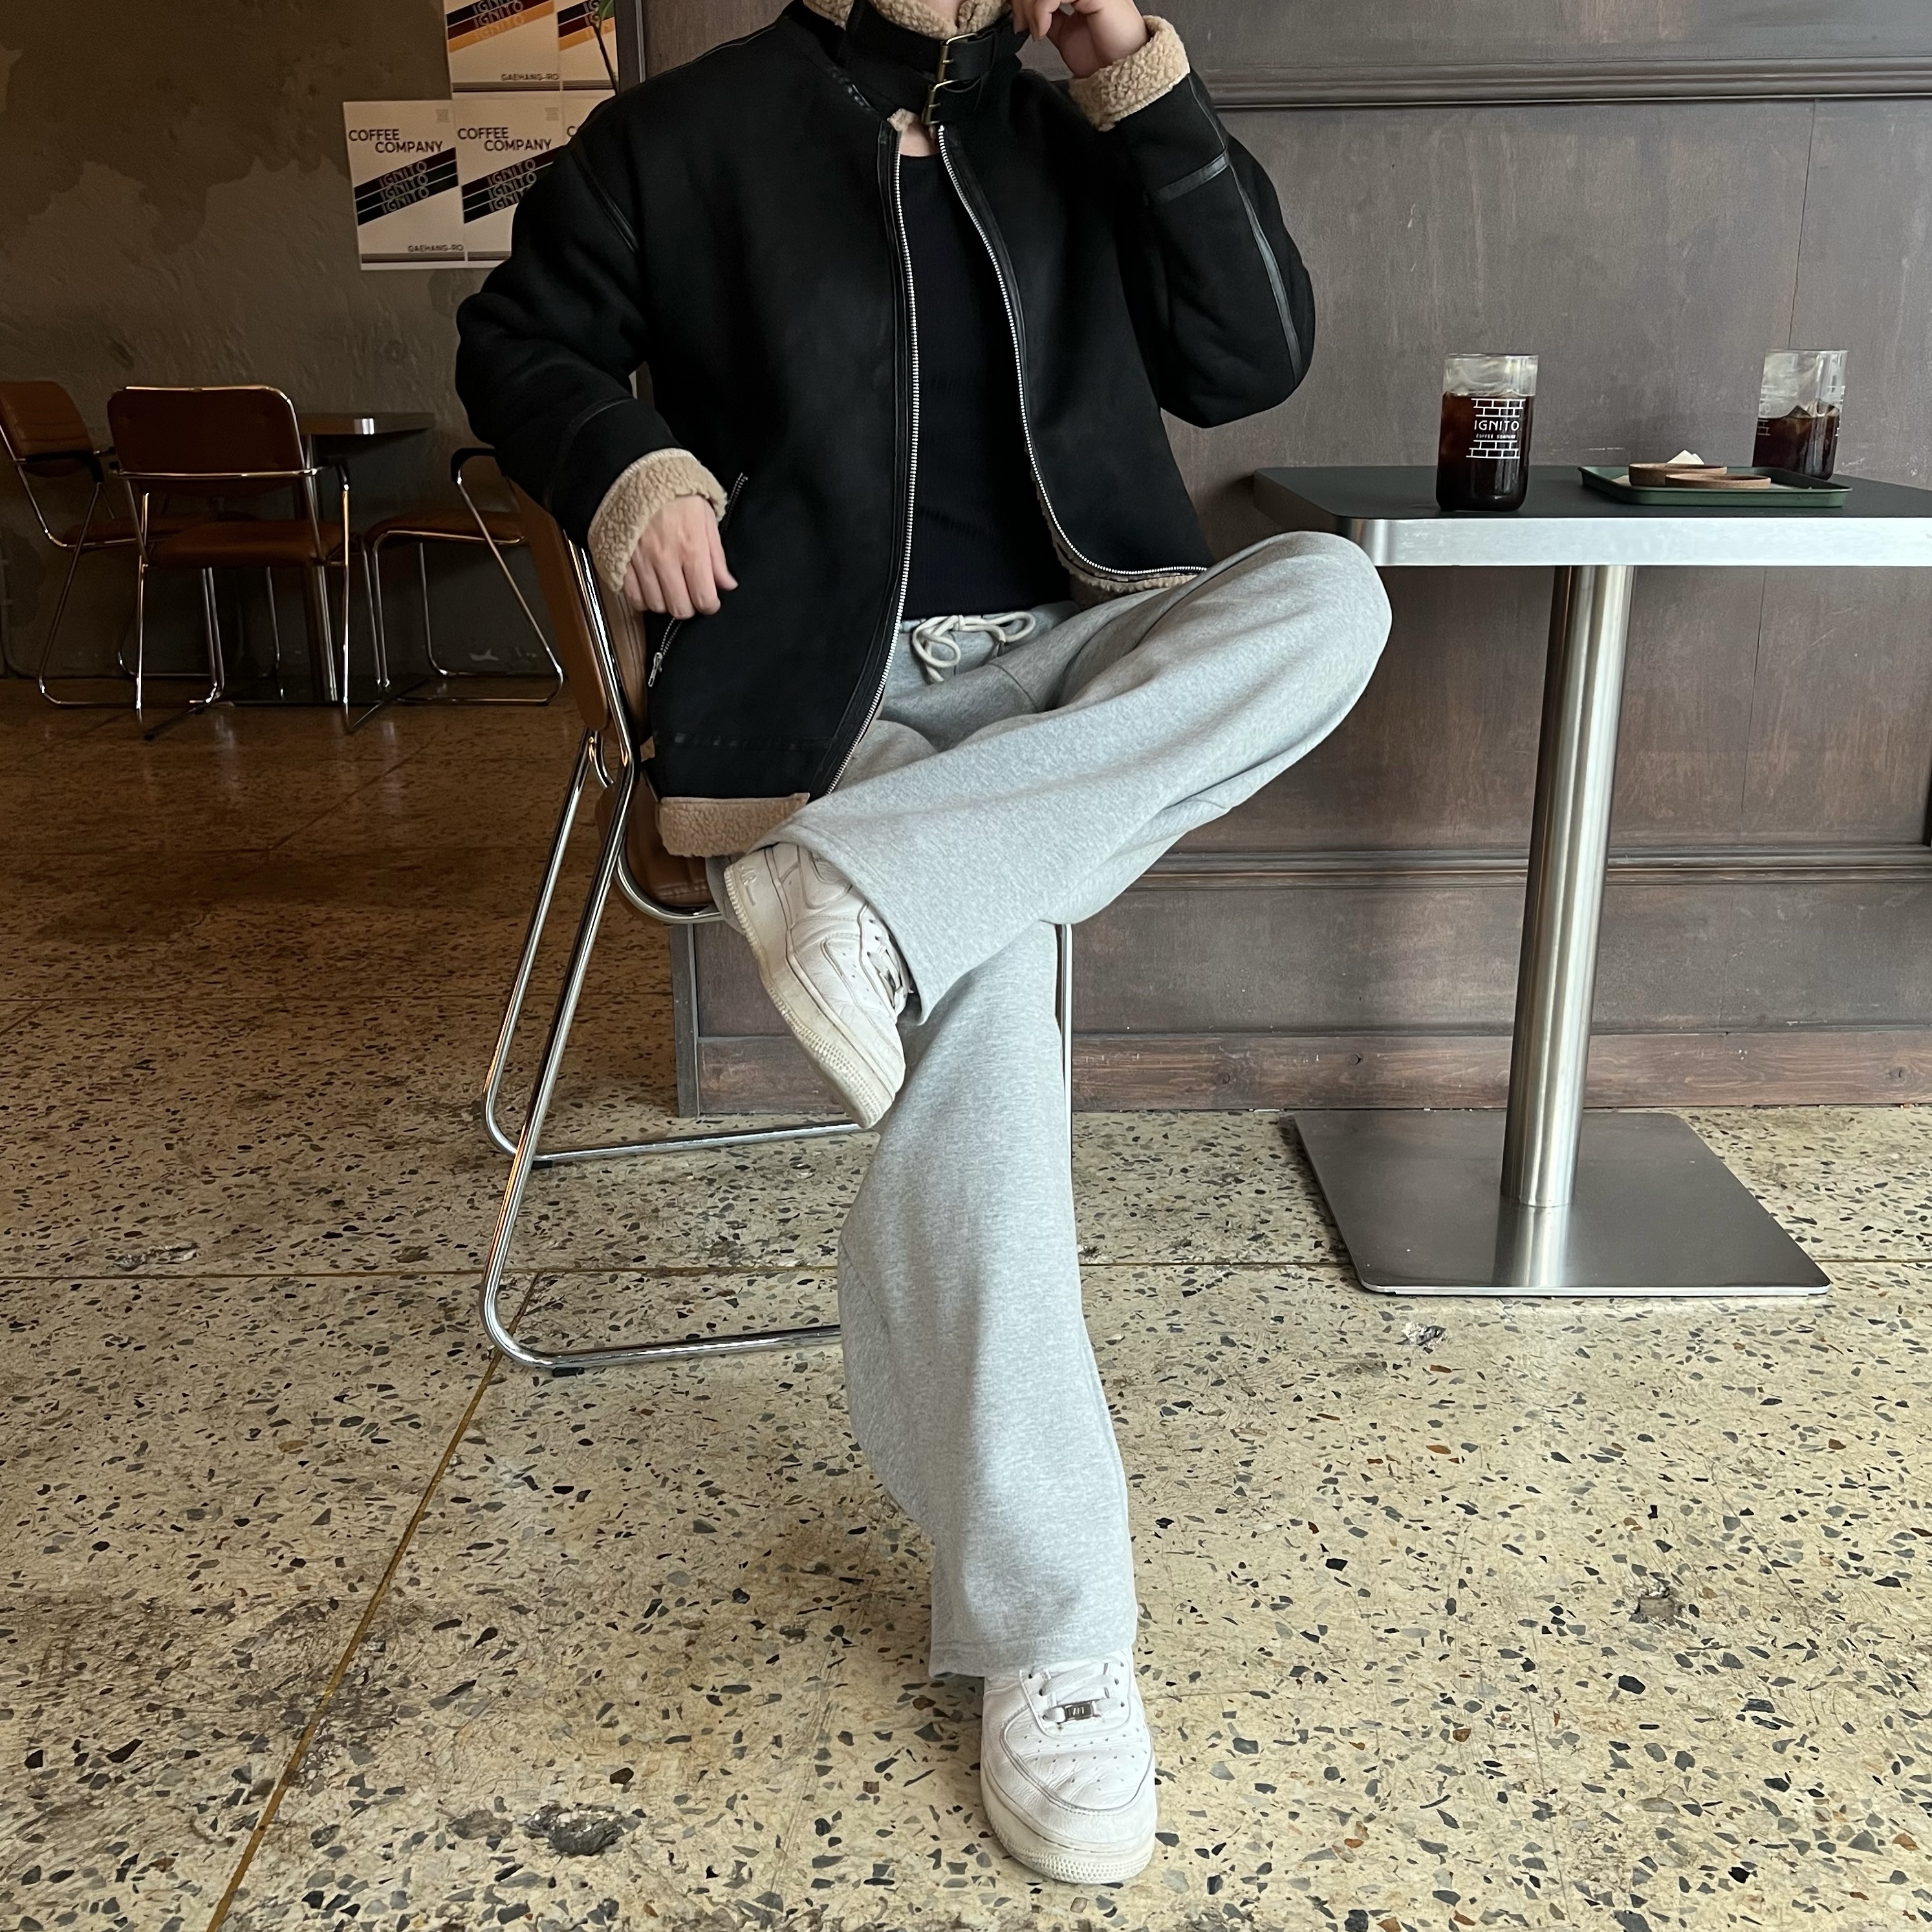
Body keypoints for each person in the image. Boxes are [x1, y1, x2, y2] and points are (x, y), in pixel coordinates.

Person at [457, 0, 1389, 1889]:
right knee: (990, 997)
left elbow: (1250, 356)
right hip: (836, 684)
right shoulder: (680, 137)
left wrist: (1134, 72)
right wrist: (631, 462)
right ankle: (1058, 1632)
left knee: (1329, 597)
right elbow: (514, 342)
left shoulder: (1071, 125)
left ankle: (871, 891)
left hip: (1076, 653)